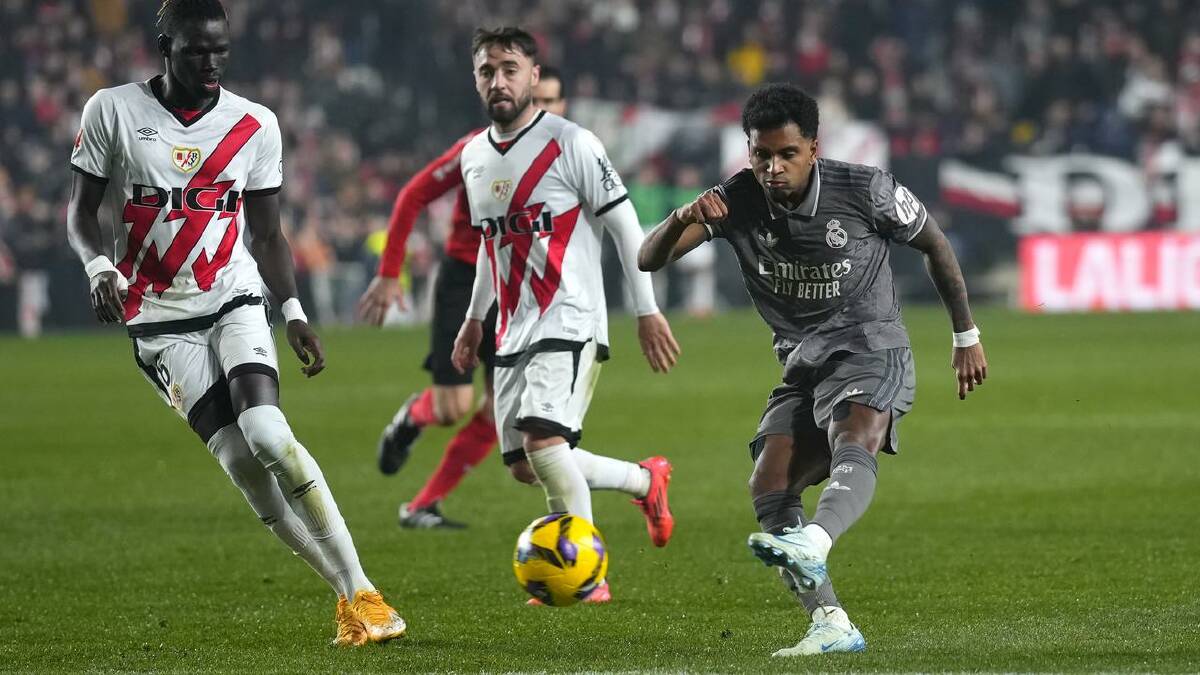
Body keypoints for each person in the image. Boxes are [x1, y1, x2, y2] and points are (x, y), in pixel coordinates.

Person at [64, 0, 405, 647]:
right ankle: (346, 596)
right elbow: (79, 214)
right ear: (166, 46)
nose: (212, 63)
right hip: (160, 324)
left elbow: (270, 232)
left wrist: (297, 310)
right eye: (197, 51)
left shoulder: (255, 124)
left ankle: (364, 589)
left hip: (234, 298)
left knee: (268, 432)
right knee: (246, 468)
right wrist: (98, 267)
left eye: (221, 51)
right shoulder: (111, 111)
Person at [638, 83, 988, 657]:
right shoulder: (735, 199)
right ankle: (830, 622)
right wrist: (682, 215)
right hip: (803, 361)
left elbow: (935, 245)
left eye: (786, 155)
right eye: (761, 156)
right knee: (769, 485)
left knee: (856, 434)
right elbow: (648, 259)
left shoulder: (866, 189)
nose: (773, 168)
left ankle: (816, 539)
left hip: (872, 345)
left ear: (813, 149)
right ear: (747, 152)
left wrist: (965, 334)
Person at [450, 27, 680, 604]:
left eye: (509, 68)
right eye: (486, 71)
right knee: (528, 463)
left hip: (570, 316)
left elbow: (626, 227)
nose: (497, 80)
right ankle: (645, 480)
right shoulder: (474, 157)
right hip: (510, 327)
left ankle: (587, 579)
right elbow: (490, 243)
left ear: (533, 75)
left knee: (545, 444)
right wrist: (475, 319)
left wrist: (646, 309)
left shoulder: (571, 142)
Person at [357, 67, 570, 530]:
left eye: (555, 102)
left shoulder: (566, 158)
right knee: (453, 407)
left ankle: (421, 507)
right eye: (542, 101)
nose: (548, 110)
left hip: (515, 289)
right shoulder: (478, 148)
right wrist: (390, 271)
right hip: (463, 280)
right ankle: (414, 417)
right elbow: (413, 194)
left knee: (500, 413)